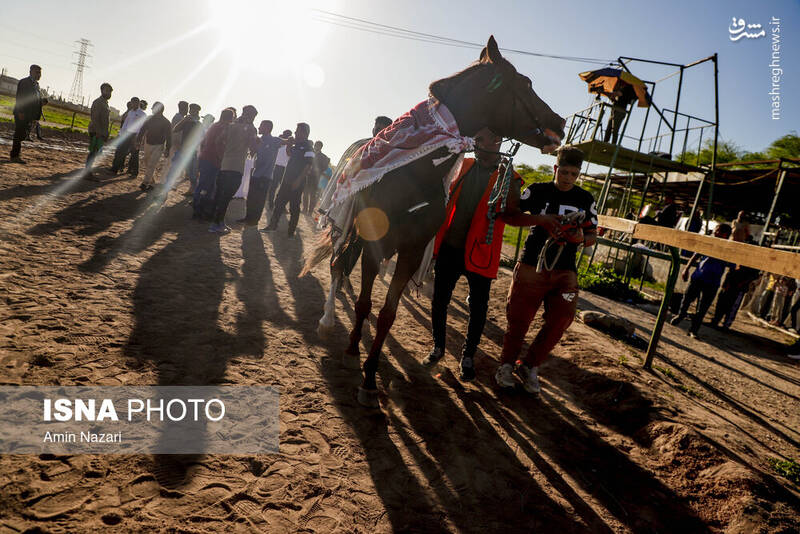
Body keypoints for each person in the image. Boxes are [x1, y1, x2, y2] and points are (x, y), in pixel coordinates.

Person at [494, 147, 598, 393]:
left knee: (562, 318)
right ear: (555, 168)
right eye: (564, 172)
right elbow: (510, 216)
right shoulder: (538, 190)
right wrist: (541, 220)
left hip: (565, 269)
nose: (568, 178)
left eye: (574, 174)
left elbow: (592, 235)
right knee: (519, 320)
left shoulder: (585, 198)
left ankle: (530, 365)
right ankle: (506, 365)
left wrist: (579, 237)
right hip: (533, 263)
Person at [422, 130, 522, 381]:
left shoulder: (510, 176)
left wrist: (509, 177)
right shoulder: (461, 165)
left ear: (498, 141)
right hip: (450, 246)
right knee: (440, 300)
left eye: (487, 139)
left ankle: (468, 356)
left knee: (478, 308)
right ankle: (438, 347)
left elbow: (513, 212)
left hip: (482, 252)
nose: (480, 144)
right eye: (477, 139)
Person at [670, 223, 733, 337]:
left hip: (713, 282)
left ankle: (694, 330)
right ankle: (681, 315)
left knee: (703, 308)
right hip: (699, 277)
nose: (715, 232)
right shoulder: (708, 242)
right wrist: (686, 269)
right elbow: (695, 256)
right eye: (716, 230)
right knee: (687, 298)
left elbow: (732, 267)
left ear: (725, 234)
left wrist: (728, 282)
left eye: (719, 231)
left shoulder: (728, 249)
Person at [209, 105, 258, 233]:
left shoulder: (230, 126)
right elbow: (253, 148)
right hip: (236, 167)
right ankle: (217, 224)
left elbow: (218, 141)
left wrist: (222, 155)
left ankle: (217, 221)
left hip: (225, 164)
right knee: (227, 196)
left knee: (220, 193)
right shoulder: (251, 129)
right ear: (252, 116)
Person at [263, 122, 314, 237]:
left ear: (304, 133)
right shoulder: (297, 144)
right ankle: (272, 226)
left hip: (297, 182)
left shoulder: (308, 146)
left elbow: (308, 166)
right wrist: (289, 145)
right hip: (287, 179)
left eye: (297, 130)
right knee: (279, 202)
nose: (295, 132)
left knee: (294, 207)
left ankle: (291, 232)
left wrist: (298, 181)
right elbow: (289, 154)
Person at [710, 232, 759, 331]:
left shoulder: (754, 261)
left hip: (739, 287)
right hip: (731, 282)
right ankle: (716, 321)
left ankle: (726, 325)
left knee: (732, 306)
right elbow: (731, 269)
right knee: (721, 302)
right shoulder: (739, 256)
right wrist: (726, 283)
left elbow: (754, 275)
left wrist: (743, 283)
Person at [238, 119, 282, 225]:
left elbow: (287, 141)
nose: (259, 127)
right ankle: (248, 217)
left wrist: (290, 140)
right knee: (251, 197)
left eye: (261, 126)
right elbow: (252, 154)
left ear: (267, 128)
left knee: (259, 199)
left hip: (265, 176)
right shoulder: (258, 140)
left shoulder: (275, 140)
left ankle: (254, 221)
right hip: (256, 173)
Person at [194, 108, 235, 220]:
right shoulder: (223, 128)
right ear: (229, 118)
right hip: (212, 160)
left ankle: (198, 209)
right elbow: (218, 144)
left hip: (205, 158)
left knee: (204, 185)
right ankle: (199, 210)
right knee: (207, 187)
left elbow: (203, 143)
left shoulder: (214, 126)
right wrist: (221, 158)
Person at [9, 64, 47, 163]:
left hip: (30, 115)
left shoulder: (36, 85)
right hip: (22, 113)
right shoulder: (24, 82)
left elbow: (36, 100)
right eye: (37, 72)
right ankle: (14, 156)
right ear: (30, 72)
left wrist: (37, 116)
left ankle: (15, 154)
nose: (39, 75)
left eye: (40, 73)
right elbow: (20, 98)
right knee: (19, 134)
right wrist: (20, 112)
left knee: (23, 134)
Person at [166, 103, 202, 192]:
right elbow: (175, 129)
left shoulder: (199, 124)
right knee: (173, 169)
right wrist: (184, 121)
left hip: (191, 152)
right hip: (182, 150)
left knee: (191, 173)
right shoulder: (186, 122)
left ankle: (193, 189)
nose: (193, 112)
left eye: (195, 111)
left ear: (198, 112)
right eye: (192, 110)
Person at [136, 101, 172, 191]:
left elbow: (169, 137)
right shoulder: (149, 119)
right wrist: (138, 140)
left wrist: (167, 149)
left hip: (159, 145)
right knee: (147, 162)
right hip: (148, 143)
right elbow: (142, 130)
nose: (152, 110)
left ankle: (145, 183)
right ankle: (152, 181)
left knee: (152, 164)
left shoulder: (166, 122)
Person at [111, 97, 146, 176]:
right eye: (132, 103)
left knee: (134, 154)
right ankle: (115, 169)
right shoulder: (130, 112)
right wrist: (121, 134)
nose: (133, 104)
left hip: (135, 135)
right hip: (127, 134)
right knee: (121, 151)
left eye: (134, 103)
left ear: (138, 103)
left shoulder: (142, 114)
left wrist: (138, 137)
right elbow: (125, 124)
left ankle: (135, 172)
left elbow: (142, 127)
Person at [85, 82, 113, 176]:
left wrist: (105, 133)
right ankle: (87, 173)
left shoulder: (105, 103)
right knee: (93, 152)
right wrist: (98, 132)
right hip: (96, 132)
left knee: (96, 152)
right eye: (107, 91)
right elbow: (95, 118)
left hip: (100, 132)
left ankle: (88, 172)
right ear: (102, 91)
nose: (109, 93)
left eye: (110, 91)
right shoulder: (98, 102)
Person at [268, 129, 293, 209]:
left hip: (279, 167)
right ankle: (273, 203)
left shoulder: (283, 146)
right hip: (282, 168)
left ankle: (273, 203)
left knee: (275, 187)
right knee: (279, 187)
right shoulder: (283, 145)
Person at [305, 140, 330, 214]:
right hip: (307, 175)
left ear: (321, 147)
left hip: (316, 178)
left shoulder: (323, 157)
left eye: (318, 145)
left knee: (313, 195)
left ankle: (310, 211)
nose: (316, 146)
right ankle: (304, 209)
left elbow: (325, 167)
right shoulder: (310, 153)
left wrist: (318, 171)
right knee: (305, 193)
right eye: (315, 145)